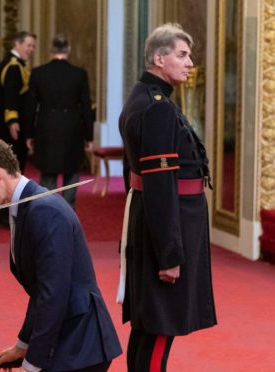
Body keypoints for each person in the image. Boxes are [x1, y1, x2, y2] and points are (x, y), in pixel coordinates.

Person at [0, 135, 121, 372]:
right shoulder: (25, 206)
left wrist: (32, 364)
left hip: (80, 346)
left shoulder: (43, 211)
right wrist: (23, 345)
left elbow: (53, 294)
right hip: (68, 339)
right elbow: (41, 289)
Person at [118, 23, 216, 371]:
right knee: (160, 325)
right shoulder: (156, 106)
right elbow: (160, 186)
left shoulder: (144, 97)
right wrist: (169, 255)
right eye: (182, 54)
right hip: (166, 226)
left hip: (156, 221)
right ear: (158, 58)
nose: (190, 63)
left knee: (149, 327)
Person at [26, 34, 94, 209]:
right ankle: (68, 209)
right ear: (68, 49)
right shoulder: (79, 74)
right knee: (72, 170)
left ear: (51, 50)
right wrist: (89, 137)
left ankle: (49, 209)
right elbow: (86, 107)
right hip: (72, 127)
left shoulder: (38, 73)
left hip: (46, 126)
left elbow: (30, 106)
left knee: (48, 170)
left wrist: (29, 134)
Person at [0, 31, 36, 228]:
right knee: (11, 172)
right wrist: (13, 122)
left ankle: (9, 213)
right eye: (29, 45)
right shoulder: (12, 66)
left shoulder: (16, 64)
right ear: (17, 44)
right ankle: (6, 216)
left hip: (13, 126)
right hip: (13, 128)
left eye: (33, 46)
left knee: (13, 172)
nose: (31, 49)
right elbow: (10, 97)